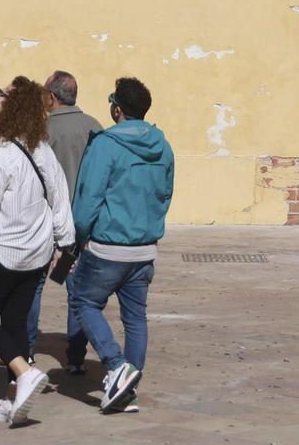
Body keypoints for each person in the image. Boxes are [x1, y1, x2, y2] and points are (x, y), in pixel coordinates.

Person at [0, 77, 74, 426]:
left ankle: (25, 373)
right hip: (37, 254)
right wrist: (64, 242)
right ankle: (12, 400)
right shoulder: (40, 146)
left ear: (10, 106)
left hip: (3, 250)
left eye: (0, 94)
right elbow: (60, 197)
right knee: (13, 323)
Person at [68, 75, 174, 414]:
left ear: (117, 109)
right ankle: (128, 391)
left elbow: (88, 196)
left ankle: (116, 366)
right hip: (144, 248)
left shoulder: (105, 144)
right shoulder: (163, 146)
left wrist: (80, 235)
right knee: (135, 319)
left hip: (107, 246)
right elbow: (166, 194)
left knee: (83, 301)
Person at [27, 70, 102, 365]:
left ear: (52, 97)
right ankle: (75, 357)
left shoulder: (41, 130)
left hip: (46, 222)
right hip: (82, 224)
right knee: (78, 291)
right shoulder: (95, 127)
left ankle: (27, 350)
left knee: (34, 287)